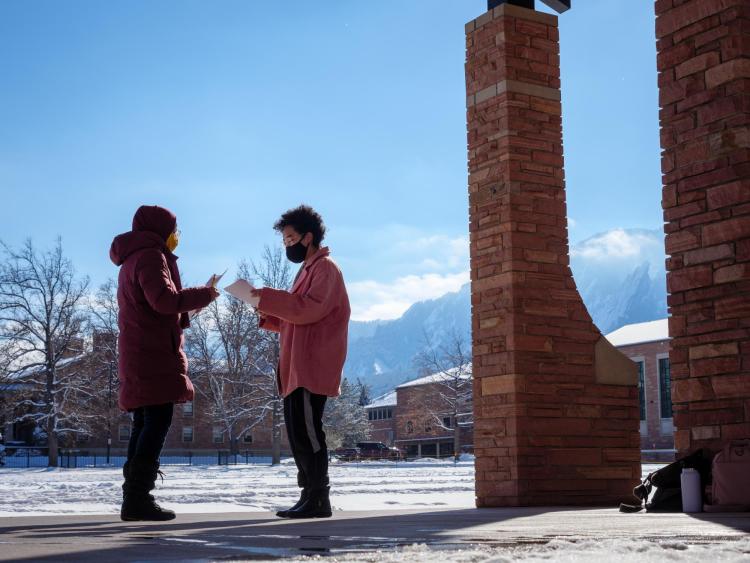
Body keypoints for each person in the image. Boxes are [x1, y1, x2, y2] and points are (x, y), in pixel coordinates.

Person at [110, 205, 219, 521]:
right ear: (161, 230)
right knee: (156, 423)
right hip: (152, 355)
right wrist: (205, 294)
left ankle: (133, 497)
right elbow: (165, 302)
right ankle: (137, 498)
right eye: (174, 230)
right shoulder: (150, 256)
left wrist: (197, 299)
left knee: (144, 424)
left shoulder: (132, 258)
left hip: (141, 353)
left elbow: (157, 306)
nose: (176, 237)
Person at [253, 205, 350, 519]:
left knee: (308, 432)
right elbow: (298, 316)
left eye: (291, 238)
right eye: (284, 240)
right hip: (296, 366)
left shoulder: (326, 269)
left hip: (311, 365)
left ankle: (319, 497)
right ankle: (309, 494)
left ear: (308, 238)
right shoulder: (307, 270)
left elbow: (308, 310)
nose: (287, 245)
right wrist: (269, 313)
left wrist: (267, 298)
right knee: (297, 432)